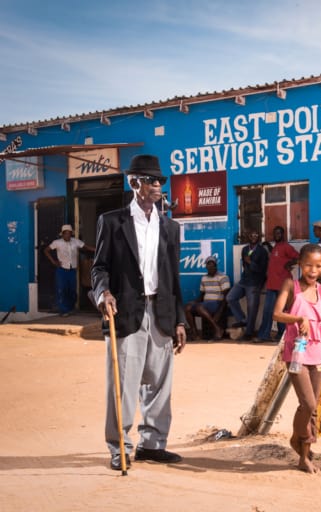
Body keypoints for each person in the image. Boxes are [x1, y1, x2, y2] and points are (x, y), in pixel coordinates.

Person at [91, 154, 187, 471]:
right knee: (123, 386)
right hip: (126, 313)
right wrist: (103, 292)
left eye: (160, 180)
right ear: (135, 183)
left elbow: (173, 278)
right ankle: (120, 445)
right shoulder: (112, 222)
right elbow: (99, 268)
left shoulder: (170, 228)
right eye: (151, 180)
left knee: (160, 384)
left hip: (160, 311)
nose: (158, 185)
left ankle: (152, 445)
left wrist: (180, 320)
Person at [273, 243, 321, 473]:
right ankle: (298, 439)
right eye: (308, 265)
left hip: (318, 351)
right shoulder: (291, 285)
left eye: (318, 266)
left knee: (314, 407)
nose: (312, 270)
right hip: (296, 352)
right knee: (306, 403)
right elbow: (277, 313)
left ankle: (304, 456)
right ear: (300, 264)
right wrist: (298, 319)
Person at [256, 226, 299, 342]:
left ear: (283, 234)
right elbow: (277, 257)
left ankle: (282, 336)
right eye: (275, 234)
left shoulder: (286, 246)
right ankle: (264, 335)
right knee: (268, 312)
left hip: (282, 286)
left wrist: (290, 263)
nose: (277, 235)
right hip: (272, 285)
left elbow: (299, 257)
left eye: (279, 233)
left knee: (282, 313)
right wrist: (268, 246)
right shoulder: (276, 247)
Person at [226, 230, 269, 341]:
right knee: (230, 297)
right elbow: (245, 266)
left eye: (256, 234)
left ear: (259, 237)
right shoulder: (245, 249)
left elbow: (262, 270)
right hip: (244, 281)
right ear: (248, 237)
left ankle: (249, 333)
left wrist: (251, 263)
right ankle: (243, 320)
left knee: (252, 308)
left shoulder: (262, 251)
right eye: (251, 234)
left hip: (255, 283)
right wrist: (248, 265)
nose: (254, 236)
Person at [44, 224, 95, 316]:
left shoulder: (75, 241)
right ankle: (64, 310)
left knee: (72, 291)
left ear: (71, 234)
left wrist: (97, 249)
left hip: (72, 270)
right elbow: (46, 250)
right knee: (62, 290)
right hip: (62, 270)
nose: (67, 235)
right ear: (62, 234)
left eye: (69, 233)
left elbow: (86, 247)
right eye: (65, 234)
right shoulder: (57, 242)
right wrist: (53, 261)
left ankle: (70, 308)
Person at [184, 256, 230, 341]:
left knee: (199, 307)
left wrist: (220, 311)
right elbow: (202, 295)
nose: (211, 268)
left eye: (213, 266)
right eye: (209, 266)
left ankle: (217, 329)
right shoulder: (204, 278)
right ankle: (195, 334)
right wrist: (193, 303)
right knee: (187, 307)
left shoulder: (223, 277)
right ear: (206, 267)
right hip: (205, 304)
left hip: (217, 303)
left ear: (216, 266)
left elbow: (227, 296)